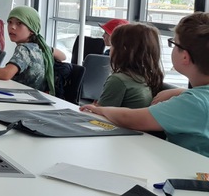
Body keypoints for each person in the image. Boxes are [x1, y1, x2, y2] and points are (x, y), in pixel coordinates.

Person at [81, 13, 209, 157]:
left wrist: (101, 110)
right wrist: (180, 91)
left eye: (173, 43)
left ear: (185, 56)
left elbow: (132, 119)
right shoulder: (196, 99)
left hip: (193, 175)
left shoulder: (193, 103)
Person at [0, 6, 56, 95]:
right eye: (10, 22)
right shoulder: (40, 47)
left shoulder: (24, 49)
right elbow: (62, 56)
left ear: (32, 29)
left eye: (19, 23)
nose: (12, 27)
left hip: (21, 97)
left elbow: (6, 73)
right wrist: (49, 49)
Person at [95, 23, 163, 108]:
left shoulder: (118, 80)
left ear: (123, 49)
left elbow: (100, 113)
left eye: (112, 45)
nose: (110, 49)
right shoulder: (147, 77)